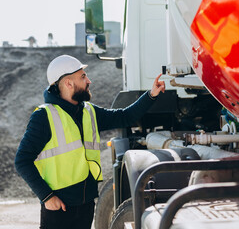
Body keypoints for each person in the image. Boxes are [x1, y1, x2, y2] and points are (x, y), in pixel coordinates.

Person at [14, 55, 165, 229]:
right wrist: (46, 196)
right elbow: (22, 160)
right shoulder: (44, 116)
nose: (89, 81)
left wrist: (151, 95)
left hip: (85, 205)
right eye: (83, 77)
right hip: (59, 208)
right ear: (68, 83)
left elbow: (124, 117)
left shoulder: (89, 111)